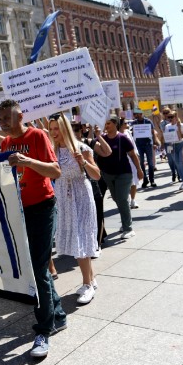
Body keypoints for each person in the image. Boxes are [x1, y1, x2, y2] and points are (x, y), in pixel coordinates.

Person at [0, 99, 64, 358]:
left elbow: (55, 171)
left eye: (6, 118)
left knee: (37, 270)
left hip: (43, 208)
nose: (2, 123)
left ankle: (43, 330)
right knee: (36, 269)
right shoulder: (4, 143)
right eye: (0, 119)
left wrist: (27, 160)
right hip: (20, 210)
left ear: (20, 116)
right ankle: (57, 313)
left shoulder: (37, 136)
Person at [49, 114, 101, 305]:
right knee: (78, 239)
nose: (54, 133)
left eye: (57, 129)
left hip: (81, 197)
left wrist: (84, 162)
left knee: (81, 240)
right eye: (51, 129)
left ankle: (87, 285)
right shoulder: (52, 150)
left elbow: (96, 176)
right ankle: (92, 280)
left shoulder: (81, 148)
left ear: (65, 129)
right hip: (63, 197)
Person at [96, 116, 143, 240]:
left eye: (109, 123)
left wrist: (139, 169)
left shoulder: (123, 138)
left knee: (122, 199)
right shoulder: (102, 139)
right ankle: (125, 222)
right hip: (108, 175)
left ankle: (128, 228)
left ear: (115, 124)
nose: (106, 126)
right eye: (105, 124)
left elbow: (133, 155)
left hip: (124, 174)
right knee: (118, 199)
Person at [163, 111, 183, 191]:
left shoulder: (181, 125)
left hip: (181, 144)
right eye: (169, 117)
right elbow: (167, 137)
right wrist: (168, 148)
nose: (170, 119)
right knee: (177, 164)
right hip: (172, 146)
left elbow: (182, 137)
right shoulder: (167, 126)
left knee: (181, 163)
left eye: (172, 117)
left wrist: (178, 127)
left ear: (176, 116)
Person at [131, 108, 158, 188]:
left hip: (148, 144)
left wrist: (154, 143)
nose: (135, 115)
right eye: (134, 114)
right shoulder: (133, 123)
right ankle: (145, 179)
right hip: (139, 145)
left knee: (150, 163)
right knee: (141, 163)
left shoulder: (148, 121)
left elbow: (153, 133)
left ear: (140, 114)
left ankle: (152, 180)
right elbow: (132, 134)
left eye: (136, 114)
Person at [118, 119, 142, 209]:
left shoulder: (128, 132)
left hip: (132, 159)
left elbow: (133, 145)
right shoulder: (116, 135)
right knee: (125, 181)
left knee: (134, 180)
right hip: (122, 161)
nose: (127, 124)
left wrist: (137, 155)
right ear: (120, 125)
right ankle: (126, 199)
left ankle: (133, 200)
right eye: (125, 123)